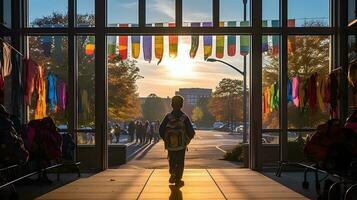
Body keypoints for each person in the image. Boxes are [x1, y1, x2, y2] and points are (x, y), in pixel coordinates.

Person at [159, 95, 195, 187]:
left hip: (171, 144)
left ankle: (172, 174)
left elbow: (161, 129)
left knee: (171, 159)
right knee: (180, 162)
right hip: (181, 145)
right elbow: (191, 132)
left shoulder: (168, 117)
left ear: (171, 104)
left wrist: (166, 139)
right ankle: (178, 179)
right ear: (182, 105)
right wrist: (186, 141)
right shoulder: (184, 118)